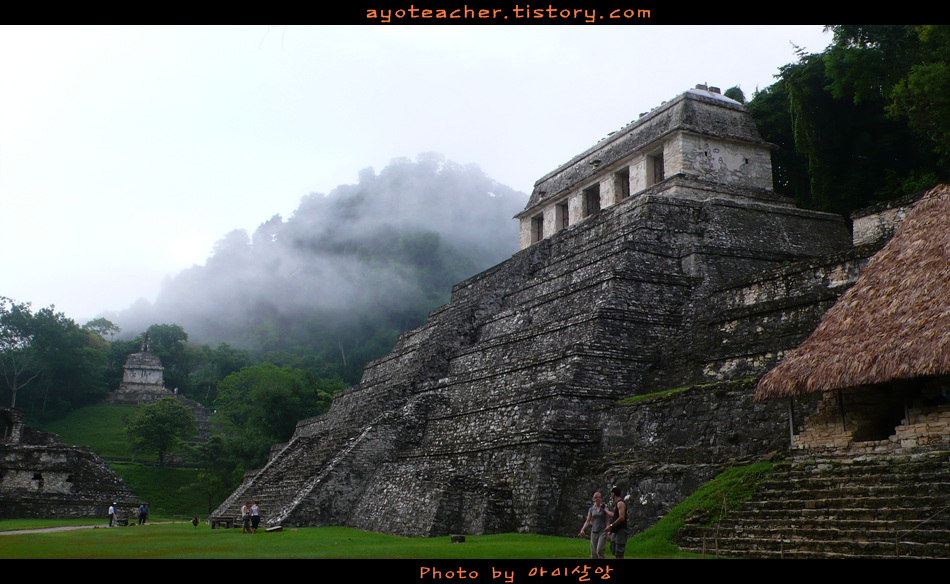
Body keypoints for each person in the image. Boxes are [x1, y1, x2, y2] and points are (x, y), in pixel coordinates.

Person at [578, 491, 611, 559]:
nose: (598, 499)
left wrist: (608, 531)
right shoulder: (591, 509)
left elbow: (607, 521)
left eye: (599, 497)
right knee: (593, 552)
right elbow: (588, 521)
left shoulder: (604, 508)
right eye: (596, 498)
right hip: (594, 531)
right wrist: (582, 529)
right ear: (594, 499)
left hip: (603, 531)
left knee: (599, 550)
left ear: (601, 499)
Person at [604, 487, 627, 559]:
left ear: (613, 494)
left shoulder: (620, 503)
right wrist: (605, 510)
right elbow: (614, 516)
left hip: (621, 530)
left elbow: (621, 517)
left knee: (620, 552)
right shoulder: (617, 504)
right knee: (615, 550)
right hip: (616, 530)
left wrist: (611, 525)